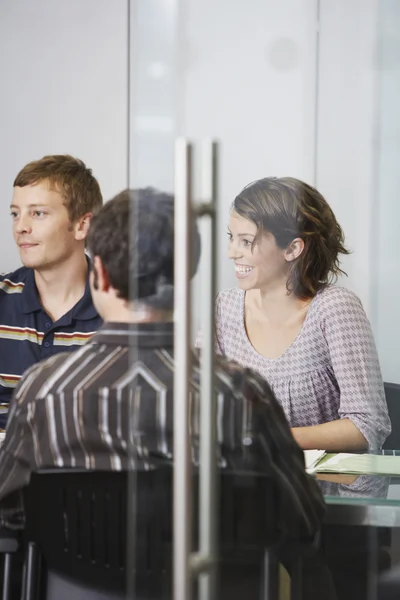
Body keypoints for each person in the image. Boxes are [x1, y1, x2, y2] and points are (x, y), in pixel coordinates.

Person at [0, 188, 331, 599]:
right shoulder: (239, 394)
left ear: (97, 274)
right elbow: (301, 516)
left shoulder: (43, 391)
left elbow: (9, 516)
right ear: (186, 278)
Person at [206, 176, 390, 451]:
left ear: (292, 248)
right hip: (248, 486)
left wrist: (271, 438)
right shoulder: (223, 309)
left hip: (326, 491)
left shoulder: (335, 309)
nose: (232, 252)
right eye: (232, 238)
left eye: (246, 241)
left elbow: (367, 426)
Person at [0, 155, 103, 426]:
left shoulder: (121, 309)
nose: (20, 227)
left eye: (38, 213)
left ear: (82, 225)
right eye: (15, 213)